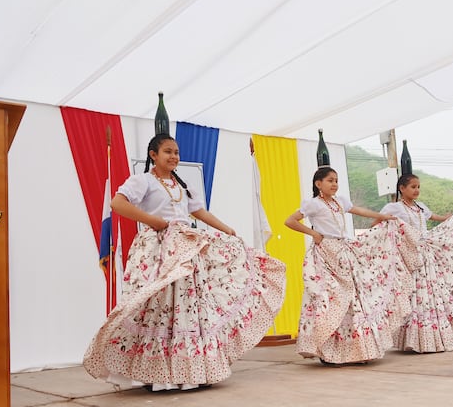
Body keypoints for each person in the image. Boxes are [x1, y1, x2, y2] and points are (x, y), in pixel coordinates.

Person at [83, 134, 287, 391]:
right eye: (168, 151)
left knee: (187, 307)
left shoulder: (182, 185)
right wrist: (154, 221)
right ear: (153, 155)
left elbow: (198, 211)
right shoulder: (143, 181)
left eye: (176, 152)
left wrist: (227, 229)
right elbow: (117, 203)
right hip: (158, 251)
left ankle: (192, 370)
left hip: (186, 248)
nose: (174, 156)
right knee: (160, 307)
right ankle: (158, 374)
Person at [285, 166, 419, 365]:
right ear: (318, 183)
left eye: (336, 180)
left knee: (352, 299)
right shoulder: (313, 204)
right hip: (325, 253)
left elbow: (358, 210)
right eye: (330, 180)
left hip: (343, 250)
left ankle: (355, 349)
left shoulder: (340, 202)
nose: (334, 184)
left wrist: (381, 217)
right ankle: (328, 350)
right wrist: (313, 233)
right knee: (331, 299)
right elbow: (290, 221)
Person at [375, 173, 453, 353]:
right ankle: (414, 339)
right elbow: (378, 222)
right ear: (402, 188)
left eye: (418, 186)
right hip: (410, 255)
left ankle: (435, 337)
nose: (416, 190)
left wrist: (448, 219)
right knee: (415, 295)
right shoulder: (394, 207)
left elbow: (433, 217)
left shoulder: (420, 207)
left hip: (427, 256)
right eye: (413, 186)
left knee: (432, 295)